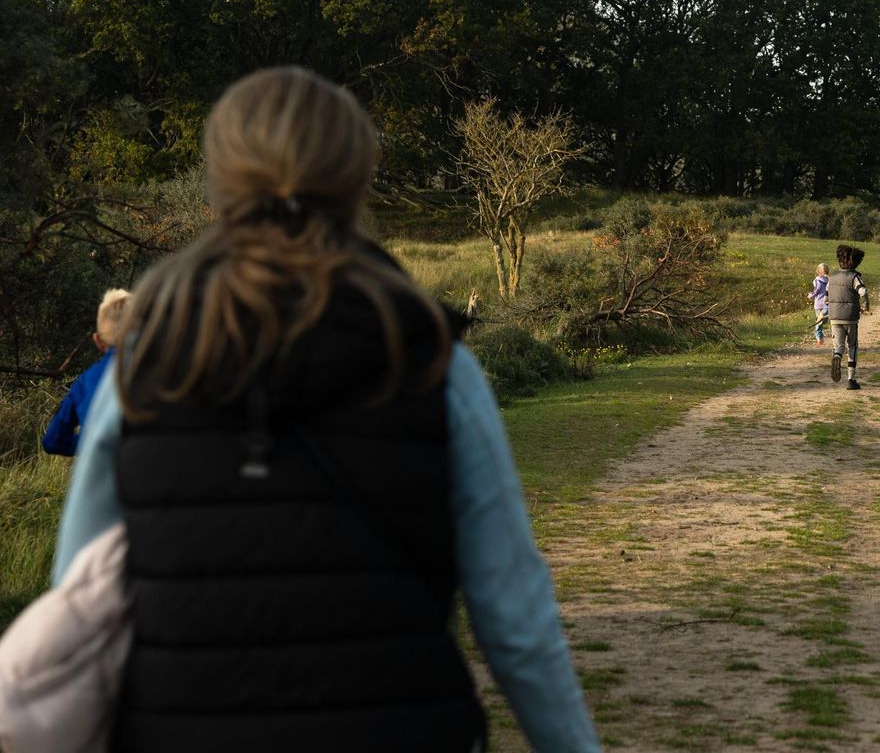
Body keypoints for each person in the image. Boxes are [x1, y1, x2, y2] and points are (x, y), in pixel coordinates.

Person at [52, 67, 599, 753]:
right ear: (357, 180)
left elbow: (79, 601)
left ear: (221, 183)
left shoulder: (142, 368)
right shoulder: (431, 361)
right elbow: (514, 617)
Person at [41, 288, 130, 456]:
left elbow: (53, 441)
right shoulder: (166, 376)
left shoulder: (86, 381)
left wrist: (91, 442)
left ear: (98, 340)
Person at [825, 244, 869, 390]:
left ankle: (837, 356)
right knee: (852, 346)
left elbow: (826, 297)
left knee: (839, 345)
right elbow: (863, 292)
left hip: (834, 317)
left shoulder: (831, 278)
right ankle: (851, 379)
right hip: (850, 317)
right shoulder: (854, 277)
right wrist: (866, 305)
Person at [808, 262, 830, 346]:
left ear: (818, 271)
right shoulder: (830, 280)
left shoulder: (817, 280)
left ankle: (819, 337)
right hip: (827, 303)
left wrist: (810, 295)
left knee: (818, 321)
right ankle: (820, 337)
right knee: (824, 319)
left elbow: (816, 290)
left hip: (818, 304)